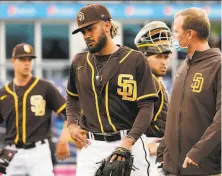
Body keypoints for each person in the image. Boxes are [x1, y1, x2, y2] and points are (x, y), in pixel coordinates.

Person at [66, 4, 158, 176]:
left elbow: (147, 107)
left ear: (107, 25)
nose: (86, 36)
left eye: (90, 29)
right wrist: (71, 124)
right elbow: (72, 98)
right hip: (92, 146)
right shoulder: (79, 62)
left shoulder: (135, 59)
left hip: (130, 141)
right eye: (83, 32)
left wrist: (127, 142)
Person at [159, 7, 221, 176]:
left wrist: (198, 152)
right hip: (173, 169)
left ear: (189, 34)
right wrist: (163, 150)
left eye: (175, 31)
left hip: (203, 169)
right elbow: (175, 114)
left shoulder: (218, 66)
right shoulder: (183, 66)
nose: (173, 36)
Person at [0, 43, 70, 176]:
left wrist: (63, 139)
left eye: (29, 59)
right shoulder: (3, 93)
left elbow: (70, 114)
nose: (27, 63)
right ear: (13, 61)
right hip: (12, 153)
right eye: (22, 59)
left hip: (39, 152)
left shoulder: (45, 87)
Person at [134, 21, 172, 176]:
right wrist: (145, 144)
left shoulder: (155, 81)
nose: (164, 62)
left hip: (158, 156)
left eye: (166, 57)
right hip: (148, 157)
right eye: (158, 57)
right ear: (145, 57)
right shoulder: (146, 82)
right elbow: (129, 120)